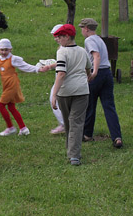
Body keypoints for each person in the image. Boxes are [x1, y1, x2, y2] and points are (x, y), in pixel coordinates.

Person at [0, 38, 47, 136]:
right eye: (2, 50)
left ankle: (10, 127)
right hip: (5, 85)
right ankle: (23, 129)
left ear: (10, 49)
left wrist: (37, 69)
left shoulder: (13, 59)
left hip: (12, 84)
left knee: (0, 106)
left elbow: (25, 66)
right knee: (11, 107)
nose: (4, 52)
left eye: (6, 50)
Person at [51, 24, 92, 166]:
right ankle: (72, 151)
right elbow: (89, 69)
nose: (58, 39)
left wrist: (54, 94)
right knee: (75, 122)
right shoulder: (82, 51)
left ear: (67, 37)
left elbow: (61, 73)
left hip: (65, 92)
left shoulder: (62, 52)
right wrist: (86, 78)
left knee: (71, 122)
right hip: (82, 90)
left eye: (60, 37)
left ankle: (74, 155)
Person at [78, 18, 123, 148]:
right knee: (109, 106)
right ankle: (117, 137)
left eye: (82, 28)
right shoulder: (99, 39)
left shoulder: (89, 40)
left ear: (86, 28)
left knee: (90, 104)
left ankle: (87, 134)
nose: (81, 30)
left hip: (97, 74)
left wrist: (94, 72)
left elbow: (96, 56)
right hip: (108, 74)